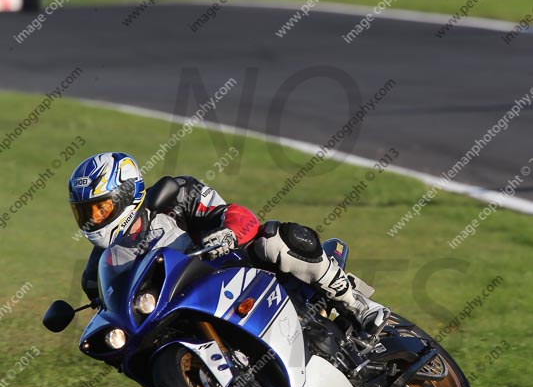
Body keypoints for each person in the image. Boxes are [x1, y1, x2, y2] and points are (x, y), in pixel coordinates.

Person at [68, 152, 389, 334]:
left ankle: (357, 304)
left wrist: (228, 234)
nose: (94, 219)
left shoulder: (172, 196)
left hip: (236, 276)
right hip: (184, 313)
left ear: (127, 194)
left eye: (102, 208)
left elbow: (239, 216)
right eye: (86, 213)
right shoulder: (96, 271)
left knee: (272, 238)